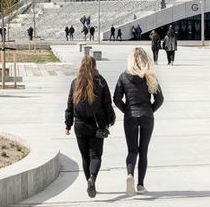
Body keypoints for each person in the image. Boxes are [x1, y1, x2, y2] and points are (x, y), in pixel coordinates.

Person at [113, 48, 164, 195]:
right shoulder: (150, 76)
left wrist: (127, 110)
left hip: (130, 117)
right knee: (143, 150)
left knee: (132, 150)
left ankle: (130, 175)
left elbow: (116, 99)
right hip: (147, 116)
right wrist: (149, 110)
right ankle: (141, 185)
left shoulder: (123, 76)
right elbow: (160, 99)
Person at [65, 55, 115, 198]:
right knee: (96, 155)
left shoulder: (75, 83)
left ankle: (89, 180)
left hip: (79, 125)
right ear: (94, 67)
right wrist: (110, 120)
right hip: (97, 125)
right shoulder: (101, 82)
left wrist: (68, 124)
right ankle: (92, 178)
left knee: (85, 157)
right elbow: (107, 104)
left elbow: (69, 105)